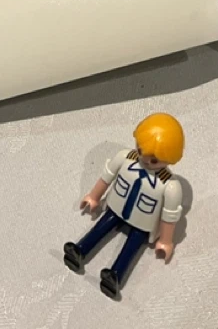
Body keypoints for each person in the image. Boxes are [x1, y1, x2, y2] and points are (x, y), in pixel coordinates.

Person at [63, 113, 185, 299]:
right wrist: (94, 197)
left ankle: (115, 276)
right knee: (99, 228)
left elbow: (169, 215)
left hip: (142, 224)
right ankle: (79, 250)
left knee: (131, 248)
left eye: (154, 160)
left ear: (171, 159)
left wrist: (165, 241)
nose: (145, 159)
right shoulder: (125, 158)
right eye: (141, 150)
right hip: (115, 209)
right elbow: (107, 177)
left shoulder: (169, 185)